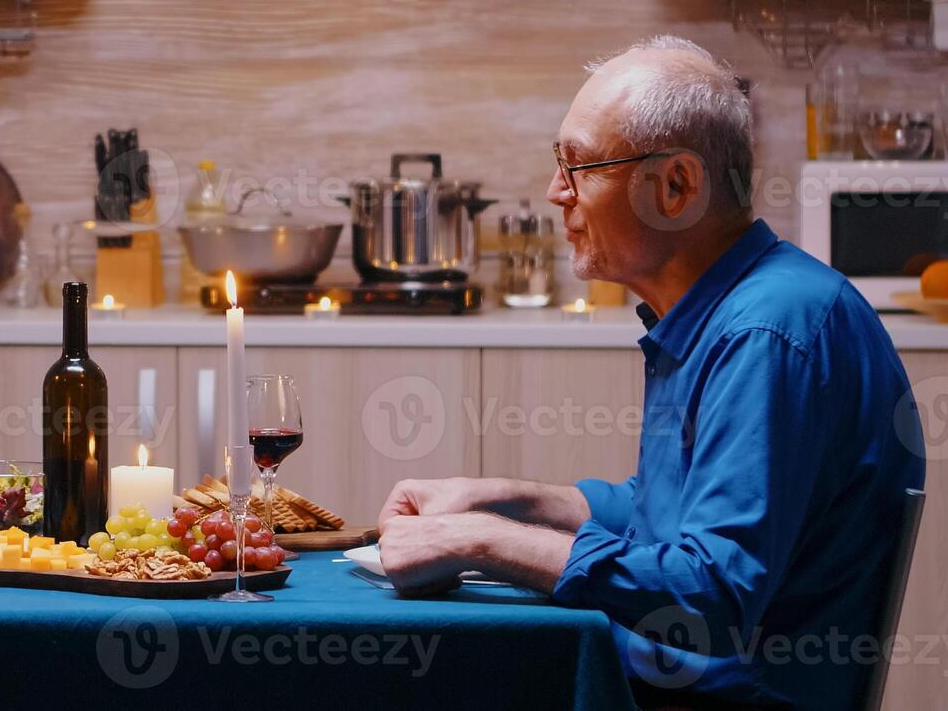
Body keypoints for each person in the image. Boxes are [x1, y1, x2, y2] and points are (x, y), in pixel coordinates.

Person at [375, 37, 925, 708]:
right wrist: (494, 498)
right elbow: (660, 512)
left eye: (579, 166)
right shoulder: (733, 308)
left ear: (678, 187)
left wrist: (478, 540)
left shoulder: (767, 333)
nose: (556, 193)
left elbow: (712, 596)